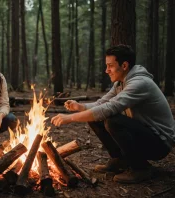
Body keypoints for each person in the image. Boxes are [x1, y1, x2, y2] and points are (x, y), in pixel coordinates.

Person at [51, 44, 175, 184]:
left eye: (110, 66)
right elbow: (102, 104)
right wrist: (81, 106)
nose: (106, 70)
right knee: (95, 117)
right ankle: (120, 161)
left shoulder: (139, 83)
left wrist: (70, 118)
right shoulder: (120, 83)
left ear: (124, 65)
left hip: (159, 144)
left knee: (113, 121)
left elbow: (108, 108)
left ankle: (141, 168)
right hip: (145, 133)